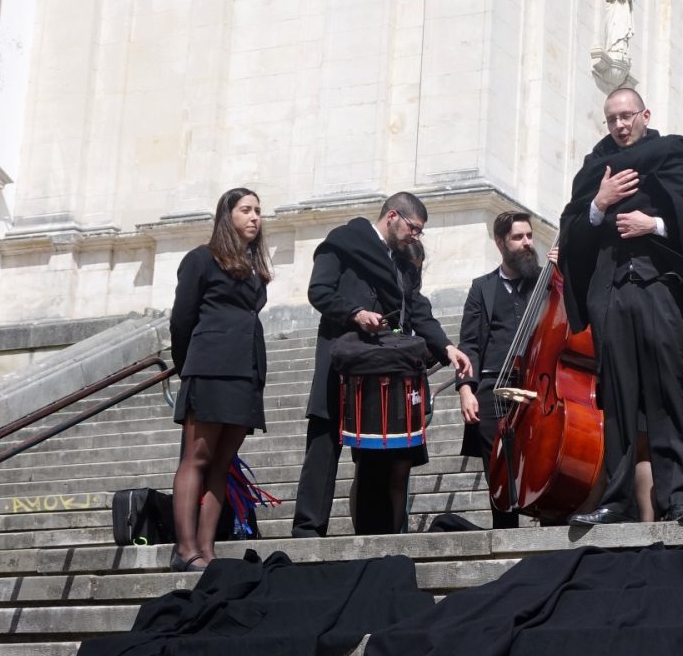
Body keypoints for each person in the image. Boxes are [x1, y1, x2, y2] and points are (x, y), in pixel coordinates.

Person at [558, 88, 683, 526]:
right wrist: (599, 203)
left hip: (659, 288)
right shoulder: (594, 169)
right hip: (609, 293)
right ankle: (616, 500)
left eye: (627, 116)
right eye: (612, 119)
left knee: (666, 395)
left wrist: (655, 224)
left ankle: (677, 499)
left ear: (645, 114)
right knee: (617, 400)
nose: (620, 125)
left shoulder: (673, 153)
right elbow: (572, 233)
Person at [291, 192, 472, 538]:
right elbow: (319, 291)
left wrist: (448, 347)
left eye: (419, 231)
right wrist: (355, 313)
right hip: (340, 360)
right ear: (392, 217)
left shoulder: (403, 264)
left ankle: (371, 537)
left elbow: (418, 310)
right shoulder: (343, 242)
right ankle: (307, 532)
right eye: (413, 228)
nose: (415, 237)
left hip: (379, 366)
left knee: (375, 449)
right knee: (323, 445)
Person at [167, 188, 271, 572]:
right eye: (246, 210)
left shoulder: (254, 269)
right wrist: (187, 366)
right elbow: (182, 320)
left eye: (257, 210)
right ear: (228, 215)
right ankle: (185, 548)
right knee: (197, 458)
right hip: (210, 367)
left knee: (222, 463)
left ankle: (207, 550)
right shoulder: (200, 259)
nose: (254, 217)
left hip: (246, 371)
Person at [456, 211, 557, 529]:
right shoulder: (482, 288)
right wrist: (465, 389)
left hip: (538, 386)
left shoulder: (547, 281)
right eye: (518, 237)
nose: (527, 242)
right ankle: (504, 536)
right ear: (500, 242)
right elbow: (469, 344)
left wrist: (562, 275)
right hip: (492, 389)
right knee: (498, 473)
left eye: (529, 235)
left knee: (544, 464)